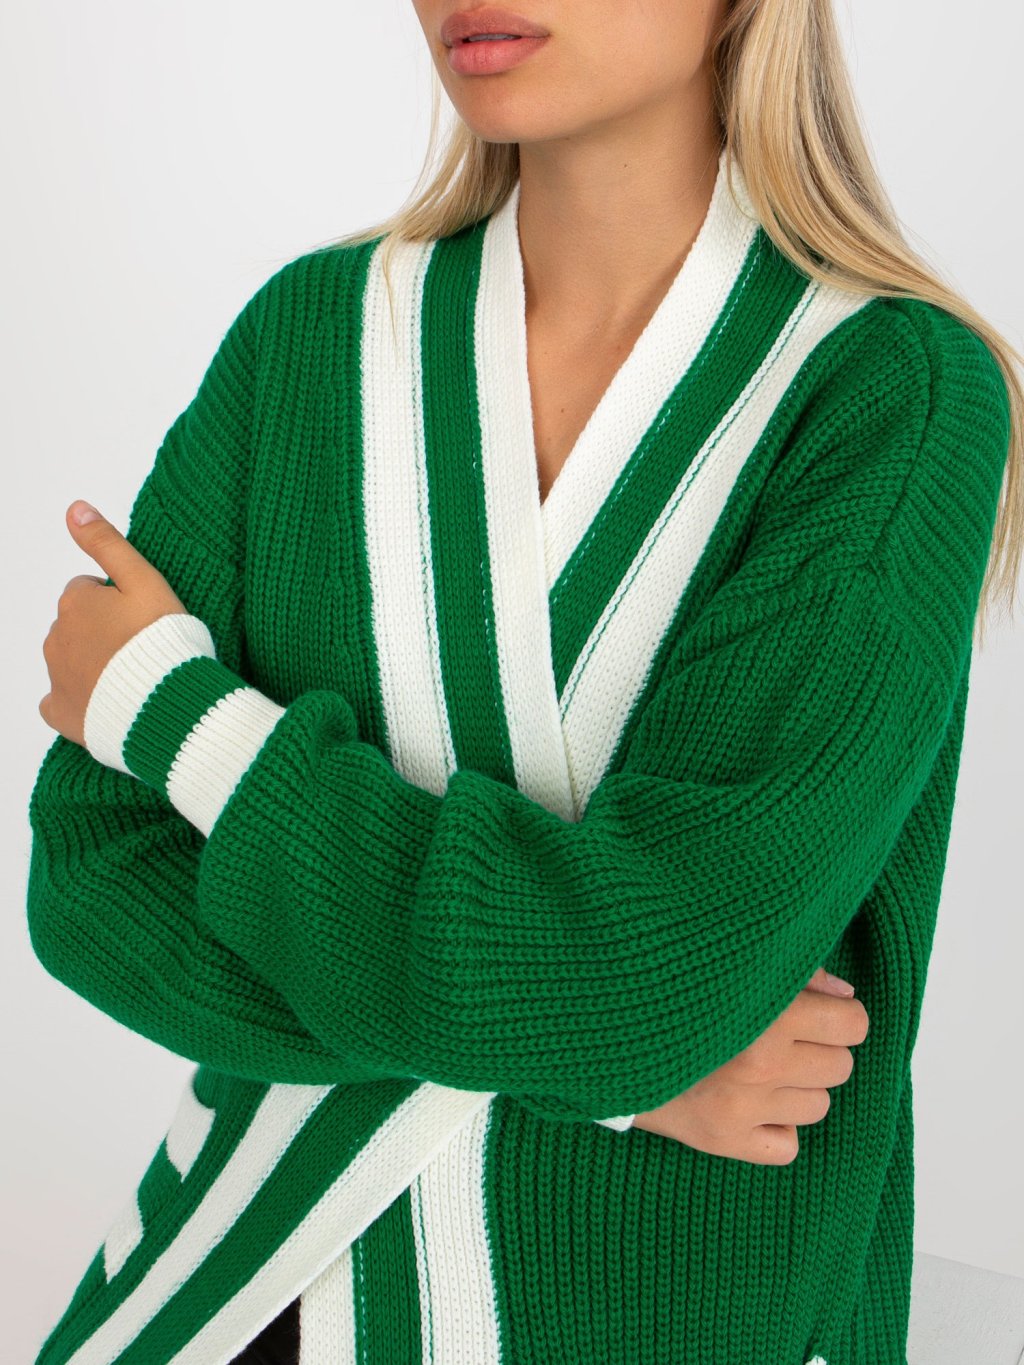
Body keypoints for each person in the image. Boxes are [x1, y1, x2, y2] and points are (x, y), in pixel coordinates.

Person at [27, 0, 1022, 1361]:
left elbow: (644, 982)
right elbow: (91, 879)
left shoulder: (887, 395)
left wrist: (176, 714)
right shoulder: (308, 339)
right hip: (224, 1295)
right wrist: (614, 1063)